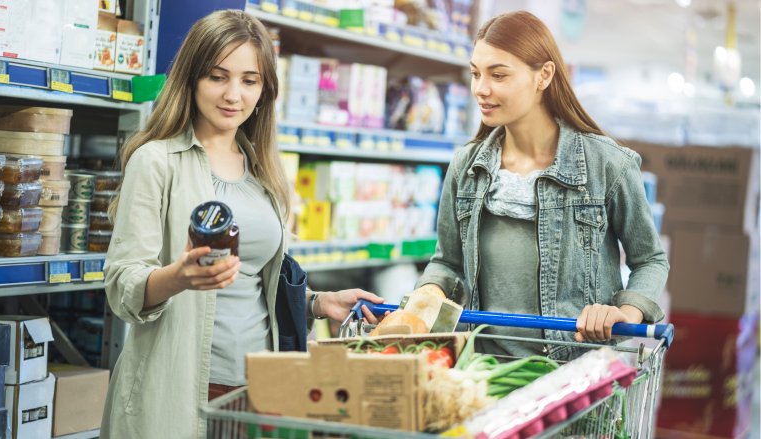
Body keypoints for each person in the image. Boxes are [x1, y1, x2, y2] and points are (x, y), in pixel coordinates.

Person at [101, 10, 382, 439]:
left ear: (264, 89)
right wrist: (179, 277)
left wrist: (317, 303)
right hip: (179, 387)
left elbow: (254, 282)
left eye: (249, 81)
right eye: (217, 77)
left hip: (260, 387)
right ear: (191, 79)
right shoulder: (156, 161)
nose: (234, 94)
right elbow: (123, 286)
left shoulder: (262, 169)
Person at [411, 11, 669, 361]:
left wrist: (627, 312)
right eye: (475, 74)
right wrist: (426, 293)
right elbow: (448, 263)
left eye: (498, 75)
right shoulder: (467, 166)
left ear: (543, 75)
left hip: (576, 372)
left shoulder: (606, 165)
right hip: (486, 371)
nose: (481, 89)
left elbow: (650, 260)